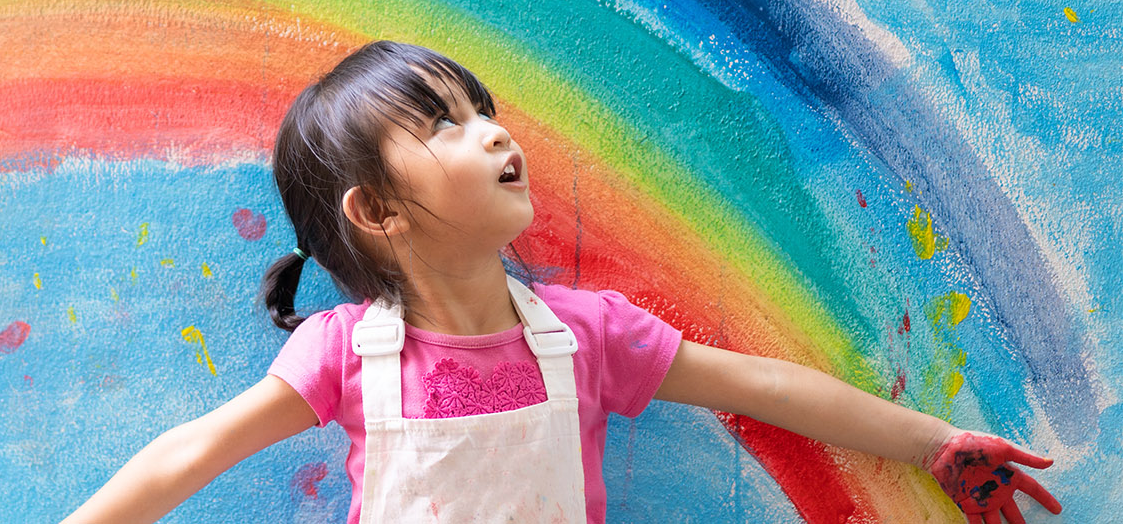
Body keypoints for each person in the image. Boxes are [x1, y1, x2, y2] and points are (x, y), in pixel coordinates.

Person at [59, 40, 1062, 524]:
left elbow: (764, 388)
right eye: (444, 124)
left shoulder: (584, 335)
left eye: (483, 108)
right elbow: (186, 456)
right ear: (376, 212)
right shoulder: (341, 352)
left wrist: (933, 441)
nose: (493, 131)